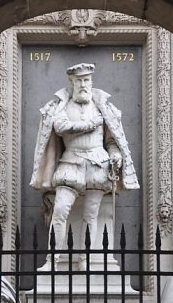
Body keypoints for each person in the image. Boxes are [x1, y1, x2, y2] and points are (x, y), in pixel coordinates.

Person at [30, 62, 139, 270]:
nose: (83, 84)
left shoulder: (103, 108)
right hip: (70, 163)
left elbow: (111, 140)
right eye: (79, 80)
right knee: (60, 210)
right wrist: (89, 125)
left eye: (86, 80)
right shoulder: (61, 106)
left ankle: (85, 260)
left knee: (91, 215)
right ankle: (52, 261)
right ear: (72, 82)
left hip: (98, 164)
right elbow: (61, 127)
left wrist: (115, 155)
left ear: (91, 81)